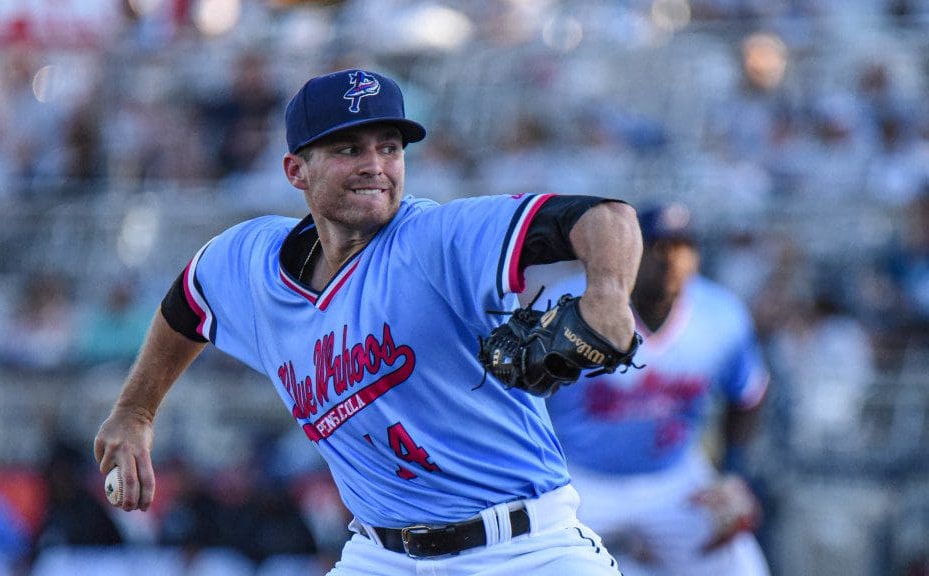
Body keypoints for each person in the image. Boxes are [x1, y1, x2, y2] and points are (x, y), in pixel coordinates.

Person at [94, 68, 642, 576]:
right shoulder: (249, 263)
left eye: (389, 147)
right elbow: (187, 303)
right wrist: (135, 410)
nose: (375, 165)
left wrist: (608, 297)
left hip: (526, 549)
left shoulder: (435, 238)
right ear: (295, 170)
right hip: (381, 557)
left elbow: (606, 218)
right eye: (348, 149)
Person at [534, 203, 771, 576]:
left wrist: (732, 473)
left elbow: (749, 395)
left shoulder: (720, 314)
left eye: (682, 246)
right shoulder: (567, 305)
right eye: (656, 246)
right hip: (575, 478)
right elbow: (519, 397)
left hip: (673, 479)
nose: (670, 258)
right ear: (626, 252)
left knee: (741, 567)